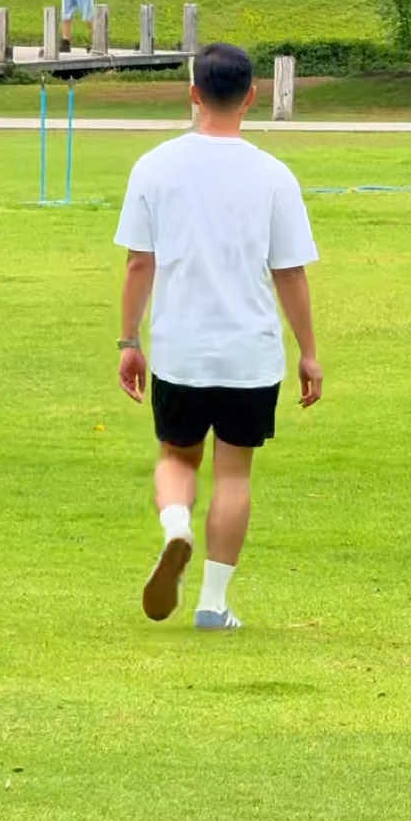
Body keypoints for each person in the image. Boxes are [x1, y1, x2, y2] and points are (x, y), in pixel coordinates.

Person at [113, 42, 322, 629]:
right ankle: (212, 603)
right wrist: (308, 353)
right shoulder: (274, 175)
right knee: (234, 472)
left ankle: (175, 526)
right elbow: (290, 273)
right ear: (253, 96)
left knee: (177, 457)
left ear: (193, 93)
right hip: (250, 353)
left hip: (181, 349)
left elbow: (138, 264)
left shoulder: (154, 166)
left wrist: (129, 341)